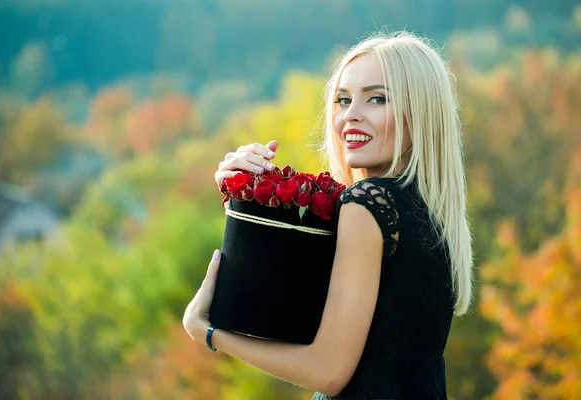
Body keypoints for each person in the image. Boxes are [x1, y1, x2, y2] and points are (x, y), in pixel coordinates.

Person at [183, 31, 473, 399]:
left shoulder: (369, 203)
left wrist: (208, 332)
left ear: (421, 112)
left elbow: (328, 371)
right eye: (343, 100)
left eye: (377, 99)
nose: (351, 116)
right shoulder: (428, 210)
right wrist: (242, 192)